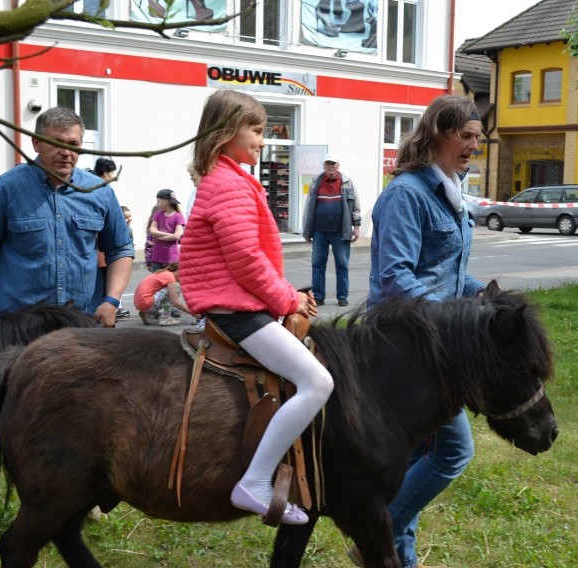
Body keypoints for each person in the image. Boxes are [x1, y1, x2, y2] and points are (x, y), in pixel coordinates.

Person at [180, 89, 332, 525]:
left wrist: (288, 293)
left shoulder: (227, 178)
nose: (263, 141)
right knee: (317, 383)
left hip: (238, 303)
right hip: (237, 312)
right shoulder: (229, 184)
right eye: (258, 130)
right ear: (226, 131)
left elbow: (251, 259)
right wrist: (287, 298)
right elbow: (247, 260)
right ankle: (256, 482)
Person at [359, 95, 485, 568]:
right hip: (402, 341)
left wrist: (480, 296)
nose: (474, 145)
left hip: (433, 339)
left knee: (413, 456)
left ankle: (397, 556)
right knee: (454, 449)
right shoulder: (406, 195)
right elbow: (396, 277)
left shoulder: (452, 189)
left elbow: (447, 272)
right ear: (437, 135)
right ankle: (379, 535)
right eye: (466, 136)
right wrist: (456, 322)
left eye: (478, 137)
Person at [0, 107, 134, 340]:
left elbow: (120, 249)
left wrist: (111, 301)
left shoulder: (99, 192)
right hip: (19, 329)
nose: (66, 152)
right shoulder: (4, 190)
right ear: (36, 143)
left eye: (73, 144)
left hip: (82, 324)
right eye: (56, 142)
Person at [302, 153, 361, 306]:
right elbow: (309, 207)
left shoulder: (347, 182)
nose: (330, 167)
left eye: (333, 164)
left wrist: (357, 227)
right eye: (328, 163)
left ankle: (342, 296)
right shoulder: (316, 182)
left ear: (338, 165)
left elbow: (355, 206)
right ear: (323, 165)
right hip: (319, 232)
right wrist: (307, 231)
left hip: (341, 232)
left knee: (342, 265)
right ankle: (319, 297)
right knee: (318, 265)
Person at [149, 188, 185, 272]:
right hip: (157, 257)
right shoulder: (157, 214)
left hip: (172, 258)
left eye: (159, 201)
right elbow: (152, 231)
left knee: (171, 282)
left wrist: (159, 237)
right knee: (156, 282)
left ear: (165, 201)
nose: (157, 203)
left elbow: (176, 236)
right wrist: (170, 235)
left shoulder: (178, 216)